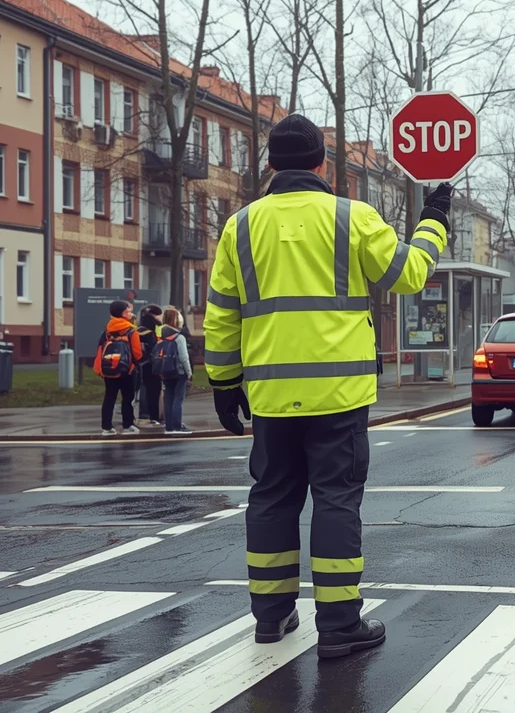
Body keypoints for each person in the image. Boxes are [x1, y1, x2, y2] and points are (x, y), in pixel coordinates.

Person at [204, 113, 451, 659]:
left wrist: (223, 381)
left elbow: (222, 312)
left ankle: (271, 618)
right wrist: (434, 220)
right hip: (339, 395)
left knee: (271, 500)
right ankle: (339, 626)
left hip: (269, 395)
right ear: (323, 164)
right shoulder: (351, 218)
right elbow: (409, 274)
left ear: (270, 164)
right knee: (336, 501)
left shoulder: (240, 226)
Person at [94, 299, 143, 436]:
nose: (130, 313)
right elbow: (137, 352)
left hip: (109, 368)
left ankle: (106, 427)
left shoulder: (108, 330)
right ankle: (127, 425)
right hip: (128, 369)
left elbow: (100, 348)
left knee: (109, 397)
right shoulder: (131, 330)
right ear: (122, 313)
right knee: (127, 398)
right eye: (128, 311)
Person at [157, 306, 192, 435]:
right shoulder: (178, 337)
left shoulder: (160, 335)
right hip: (179, 372)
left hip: (165, 371)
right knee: (178, 399)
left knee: (168, 398)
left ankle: (169, 427)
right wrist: (189, 372)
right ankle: (178, 426)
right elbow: (184, 357)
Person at [138, 304, 164, 425]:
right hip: (151, 364)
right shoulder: (151, 331)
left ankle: (144, 415)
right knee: (153, 390)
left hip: (140, 364)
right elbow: (154, 349)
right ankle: (153, 416)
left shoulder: (137, 330)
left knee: (143, 389)